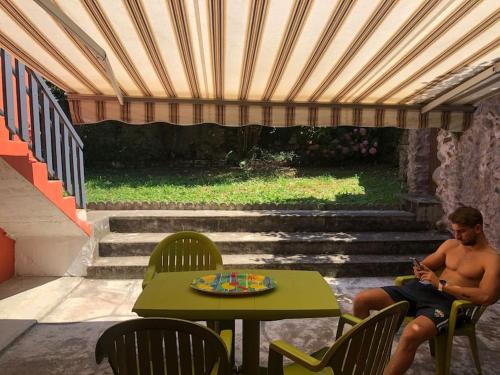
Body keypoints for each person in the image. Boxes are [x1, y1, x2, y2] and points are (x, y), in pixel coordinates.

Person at [352, 206, 500, 375]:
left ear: (478, 229)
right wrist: (421, 268)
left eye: (462, 232)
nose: (457, 236)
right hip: (421, 290)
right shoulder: (451, 245)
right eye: (454, 231)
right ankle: (364, 363)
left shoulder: (492, 259)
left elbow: (487, 296)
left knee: (410, 335)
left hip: (449, 303)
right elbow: (428, 264)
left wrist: (443, 286)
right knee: (362, 299)